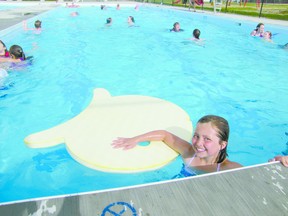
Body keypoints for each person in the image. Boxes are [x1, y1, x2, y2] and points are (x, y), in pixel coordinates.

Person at [112, 115, 242, 176]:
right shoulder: (189, 153)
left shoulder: (228, 168)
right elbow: (164, 135)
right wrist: (135, 139)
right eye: (196, 136)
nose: (198, 143)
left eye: (207, 139)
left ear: (222, 144)